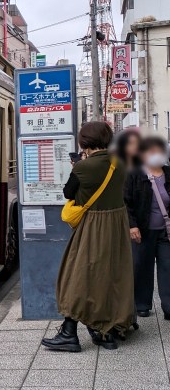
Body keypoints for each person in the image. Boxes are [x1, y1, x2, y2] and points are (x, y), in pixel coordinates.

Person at [41, 121, 134, 352]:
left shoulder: (84, 167)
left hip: (93, 226)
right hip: (117, 225)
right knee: (111, 275)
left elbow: (67, 192)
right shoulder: (120, 162)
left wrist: (77, 165)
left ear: (85, 142)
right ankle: (106, 331)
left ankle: (69, 333)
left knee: (78, 275)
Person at [124, 136, 170, 320]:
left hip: (165, 232)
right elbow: (126, 202)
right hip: (142, 230)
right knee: (142, 266)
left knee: (168, 267)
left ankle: (168, 307)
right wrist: (132, 225)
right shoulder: (134, 174)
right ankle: (142, 305)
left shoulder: (168, 172)